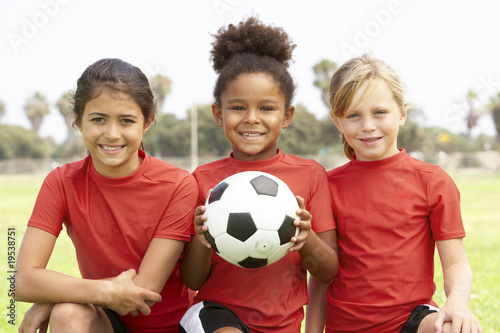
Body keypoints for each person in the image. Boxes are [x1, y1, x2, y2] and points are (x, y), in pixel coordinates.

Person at [15, 58, 199, 333]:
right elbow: (22, 281)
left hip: (170, 326)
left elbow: (141, 294)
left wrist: (55, 294)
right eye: (98, 119)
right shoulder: (61, 182)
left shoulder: (178, 184)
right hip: (108, 321)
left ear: (147, 122)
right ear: (78, 121)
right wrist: (64, 297)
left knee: (65, 306)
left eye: (126, 121)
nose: (112, 134)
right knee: (68, 314)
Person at [179, 16, 338, 333]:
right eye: (238, 108)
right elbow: (192, 279)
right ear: (218, 113)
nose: (252, 119)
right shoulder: (202, 179)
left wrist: (306, 239)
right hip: (216, 314)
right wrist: (200, 238)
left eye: (266, 108)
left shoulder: (311, 175)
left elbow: (327, 271)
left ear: (287, 115)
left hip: (284, 322)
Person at [307, 53, 482, 333]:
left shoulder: (432, 181)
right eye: (353, 115)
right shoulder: (325, 186)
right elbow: (320, 275)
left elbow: (457, 262)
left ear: (402, 113)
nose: (368, 126)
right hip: (346, 326)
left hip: (411, 319)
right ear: (338, 122)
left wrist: (457, 303)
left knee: (455, 329)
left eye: (379, 112)